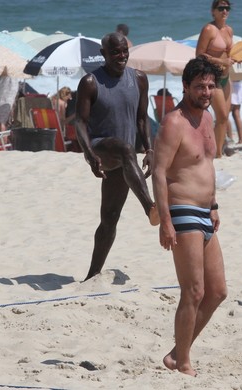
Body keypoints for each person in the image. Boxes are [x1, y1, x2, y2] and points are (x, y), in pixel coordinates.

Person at [152, 55, 227, 377]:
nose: (206, 91)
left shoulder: (207, 119)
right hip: (181, 211)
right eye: (200, 86)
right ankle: (183, 363)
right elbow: (158, 171)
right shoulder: (174, 122)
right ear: (185, 87)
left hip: (204, 212)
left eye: (211, 86)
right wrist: (165, 222)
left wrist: (213, 205)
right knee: (193, 291)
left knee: (218, 291)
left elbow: (206, 167)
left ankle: (175, 353)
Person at [74, 32, 159, 281]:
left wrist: (150, 150)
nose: (121, 56)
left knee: (109, 218)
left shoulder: (139, 79)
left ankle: (92, 275)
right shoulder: (90, 82)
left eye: (124, 51)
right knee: (124, 148)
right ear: (103, 54)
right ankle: (150, 208)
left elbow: (143, 119)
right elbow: (80, 122)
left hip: (126, 161)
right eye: (115, 52)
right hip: (101, 148)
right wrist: (89, 155)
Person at [196, 0, 236, 158]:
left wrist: (236, 58)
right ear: (213, 11)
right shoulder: (208, 29)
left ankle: (217, 153)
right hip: (213, 79)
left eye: (227, 8)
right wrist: (221, 61)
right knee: (222, 116)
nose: (225, 11)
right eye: (221, 8)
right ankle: (215, 153)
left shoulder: (229, 30)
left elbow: (229, 53)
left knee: (224, 119)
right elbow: (199, 54)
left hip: (226, 77)